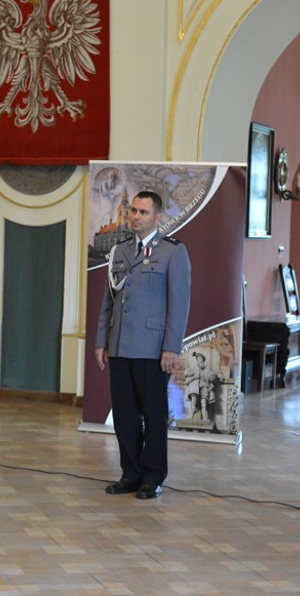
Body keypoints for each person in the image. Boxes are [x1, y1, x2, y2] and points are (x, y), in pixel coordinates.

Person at [94, 190, 191, 500]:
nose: (135, 216)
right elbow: (109, 301)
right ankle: (131, 473)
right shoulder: (119, 251)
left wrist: (171, 348)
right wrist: (101, 341)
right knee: (124, 415)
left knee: (153, 414)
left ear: (157, 217)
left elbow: (179, 305)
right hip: (120, 345)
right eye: (133, 211)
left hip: (152, 349)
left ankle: (152, 476)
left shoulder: (173, 252)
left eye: (143, 212)